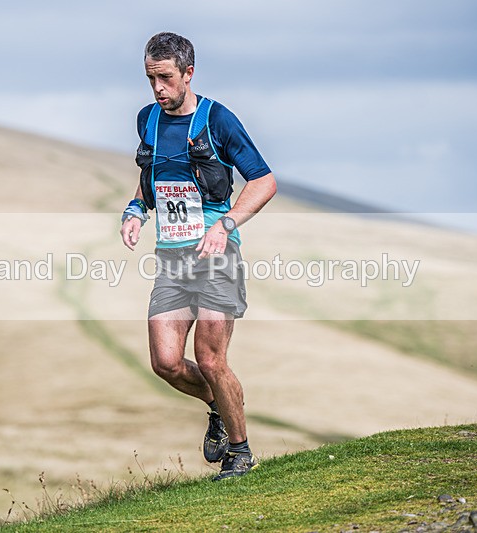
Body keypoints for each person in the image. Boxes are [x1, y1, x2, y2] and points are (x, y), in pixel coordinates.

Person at [119, 32, 277, 481]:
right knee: (166, 363)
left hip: (217, 256)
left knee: (210, 358)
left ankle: (241, 451)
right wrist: (135, 211)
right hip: (172, 259)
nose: (157, 88)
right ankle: (216, 409)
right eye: (150, 78)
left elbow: (263, 182)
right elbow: (152, 181)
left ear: (189, 73)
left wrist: (224, 226)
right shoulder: (146, 119)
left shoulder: (217, 119)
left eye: (166, 78)